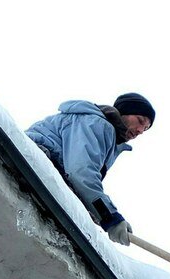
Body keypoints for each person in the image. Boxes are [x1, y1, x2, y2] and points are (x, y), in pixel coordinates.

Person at [25, 93, 155, 246]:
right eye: (140, 121)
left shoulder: (109, 141)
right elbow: (81, 173)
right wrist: (110, 217)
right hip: (32, 160)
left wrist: (94, 213)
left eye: (145, 129)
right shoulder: (97, 124)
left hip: (47, 170)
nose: (140, 130)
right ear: (125, 111)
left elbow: (78, 180)